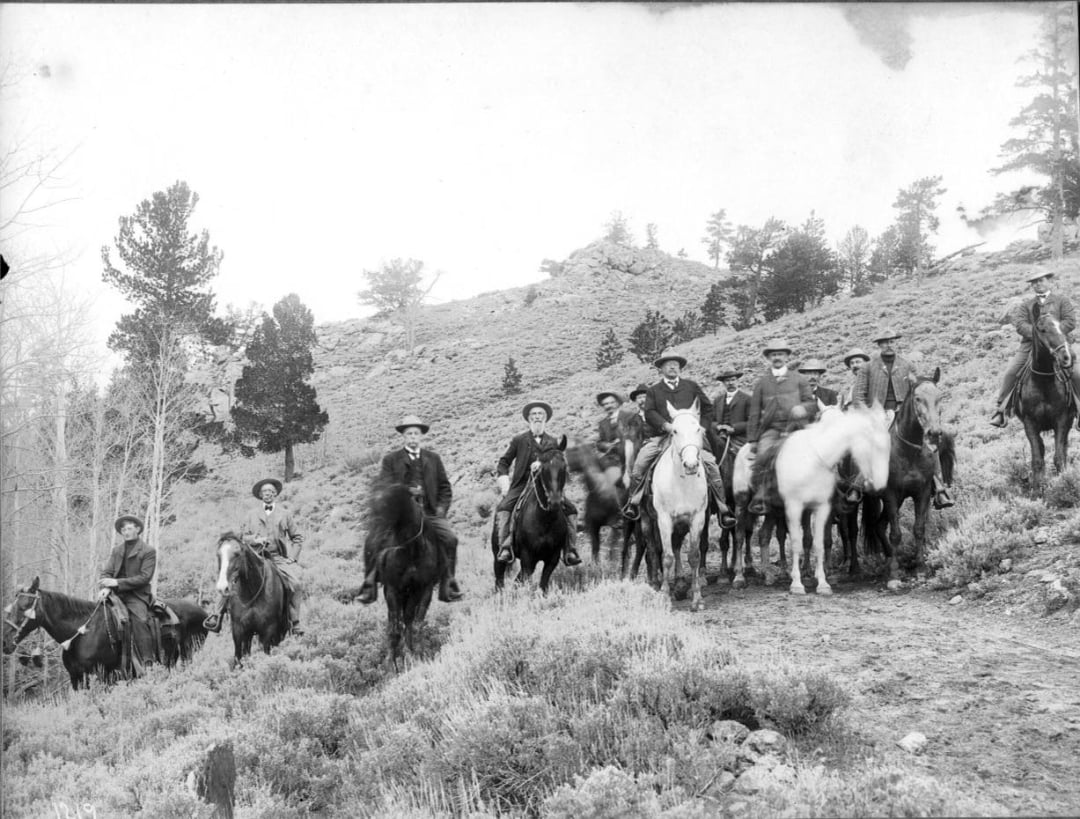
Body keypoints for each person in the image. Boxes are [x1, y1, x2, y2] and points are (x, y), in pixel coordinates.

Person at [357, 415, 463, 605]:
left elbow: (445, 487)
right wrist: (407, 491)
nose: (413, 437)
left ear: (421, 436)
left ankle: (449, 583)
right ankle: (369, 583)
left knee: (450, 539)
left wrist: (440, 510)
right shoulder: (391, 459)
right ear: (403, 437)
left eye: (416, 433)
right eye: (409, 434)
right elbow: (386, 486)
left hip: (430, 513)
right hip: (400, 516)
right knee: (372, 540)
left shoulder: (434, 459)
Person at [622, 352, 736, 527]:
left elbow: (707, 408)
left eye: (676, 364)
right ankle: (634, 502)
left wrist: (703, 427)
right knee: (640, 465)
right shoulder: (654, 391)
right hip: (663, 435)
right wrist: (665, 425)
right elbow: (650, 412)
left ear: (680, 368)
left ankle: (722, 508)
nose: (673, 367)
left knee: (711, 464)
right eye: (668, 364)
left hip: (690, 436)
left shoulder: (691, 386)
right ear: (661, 369)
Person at [853, 328, 954, 509]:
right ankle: (859, 483)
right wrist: (871, 414)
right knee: (873, 440)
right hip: (878, 413)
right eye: (885, 342)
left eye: (892, 341)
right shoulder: (867, 368)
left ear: (896, 343)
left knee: (934, 437)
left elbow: (918, 390)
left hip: (905, 413)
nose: (889, 345)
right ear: (879, 344)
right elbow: (858, 398)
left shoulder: (907, 365)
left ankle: (939, 486)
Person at [203, 478, 306, 635]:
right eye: (265, 491)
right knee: (231, 579)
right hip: (253, 557)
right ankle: (217, 615)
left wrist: (292, 557)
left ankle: (295, 622)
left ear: (276, 494)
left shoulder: (285, 514)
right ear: (260, 495)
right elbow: (242, 536)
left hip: (277, 558)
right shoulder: (251, 514)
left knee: (296, 584)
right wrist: (255, 540)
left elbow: (297, 538)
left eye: (271, 491)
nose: (268, 494)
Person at [494, 401, 582, 566]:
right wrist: (505, 485)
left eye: (540, 414)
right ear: (528, 419)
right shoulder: (519, 440)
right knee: (505, 507)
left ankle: (570, 549)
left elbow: (559, 463)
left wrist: (543, 465)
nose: (537, 417)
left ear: (545, 418)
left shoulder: (554, 441)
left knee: (571, 510)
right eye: (533, 414)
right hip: (521, 485)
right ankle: (505, 546)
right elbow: (503, 463)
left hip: (547, 486)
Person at [990, 270, 1080, 430]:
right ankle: (1001, 410)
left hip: (1059, 344)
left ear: (1049, 281)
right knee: (1011, 372)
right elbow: (1020, 324)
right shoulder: (1026, 305)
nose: (1038, 284)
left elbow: (1070, 321)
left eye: (1041, 280)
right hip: (1030, 346)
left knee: (1076, 373)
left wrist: (1053, 334)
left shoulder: (1062, 301)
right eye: (1034, 282)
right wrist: (1038, 335)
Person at [746, 339, 819, 515]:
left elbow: (812, 403)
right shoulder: (762, 383)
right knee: (762, 456)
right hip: (772, 429)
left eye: (780, 354)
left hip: (797, 427)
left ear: (787, 356)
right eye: (773, 355)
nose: (777, 357)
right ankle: (761, 496)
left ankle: (823, 494)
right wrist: (753, 440)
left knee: (818, 454)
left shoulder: (799, 379)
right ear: (768, 358)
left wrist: (803, 408)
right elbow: (754, 412)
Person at [99, 515, 158, 666]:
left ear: (137, 529)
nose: (125, 532)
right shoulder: (117, 550)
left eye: (129, 528)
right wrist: (106, 587)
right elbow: (106, 572)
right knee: (95, 616)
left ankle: (147, 662)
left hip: (137, 594)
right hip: (114, 594)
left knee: (140, 620)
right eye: (123, 529)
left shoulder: (148, 551)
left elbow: (145, 577)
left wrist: (116, 582)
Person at [712, 367, 750, 455]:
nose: (730, 383)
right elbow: (711, 420)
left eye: (733, 380)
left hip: (739, 437)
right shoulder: (717, 400)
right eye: (727, 381)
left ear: (737, 381)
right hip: (720, 436)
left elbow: (751, 421)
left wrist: (733, 428)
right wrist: (718, 426)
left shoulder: (747, 399)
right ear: (723, 383)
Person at [595, 391, 625, 484]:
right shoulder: (603, 423)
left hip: (630, 453)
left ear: (618, 403)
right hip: (613, 457)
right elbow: (600, 442)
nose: (609, 406)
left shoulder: (629, 417)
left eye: (612, 403)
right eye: (605, 404)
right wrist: (606, 445)